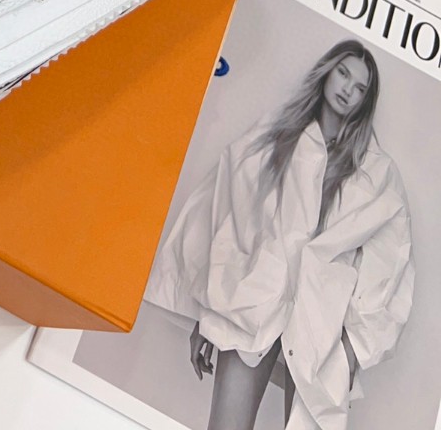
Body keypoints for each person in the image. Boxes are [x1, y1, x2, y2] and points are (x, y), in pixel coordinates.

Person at [146, 39, 414, 430]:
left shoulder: (376, 172)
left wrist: (354, 348)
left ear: (365, 101)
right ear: (327, 71)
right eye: (343, 73)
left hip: (321, 329)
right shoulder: (276, 137)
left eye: (360, 88)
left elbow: (388, 263)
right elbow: (231, 221)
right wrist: (208, 318)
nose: (347, 89)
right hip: (253, 307)